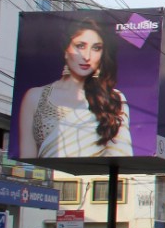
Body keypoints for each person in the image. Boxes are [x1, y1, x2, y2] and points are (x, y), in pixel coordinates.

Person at [17, 18, 133, 158]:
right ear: (66, 50)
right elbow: (27, 158)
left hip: (94, 177)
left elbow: (121, 155)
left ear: (102, 54)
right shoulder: (35, 97)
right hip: (43, 178)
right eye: (80, 46)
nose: (87, 56)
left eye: (96, 48)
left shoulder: (113, 99)